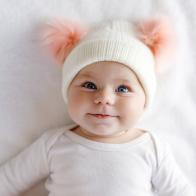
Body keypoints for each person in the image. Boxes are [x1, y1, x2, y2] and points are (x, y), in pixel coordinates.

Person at [0, 17, 194, 196]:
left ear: (144, 100)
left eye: (123, 89)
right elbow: (7, 181)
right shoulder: (53, 145)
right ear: (67, 92)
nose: (104, 98)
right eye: (89, 85)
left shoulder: (151, 149)